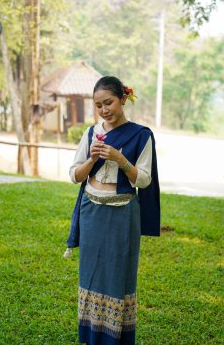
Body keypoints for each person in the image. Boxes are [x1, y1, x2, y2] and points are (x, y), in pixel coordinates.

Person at [66, 76, 160, 345]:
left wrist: (120, 159)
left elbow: (143, 180)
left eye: (109, 102)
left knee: (119, 275)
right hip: (91, 210)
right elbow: (75, 175)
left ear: (122, 99)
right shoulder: (90, 133)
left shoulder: (141, 135)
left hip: (122, 213)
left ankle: (115, 338)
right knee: (91, 274)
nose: (104, 109)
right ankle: (92, 336)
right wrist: (93, 157)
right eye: (98, 105)